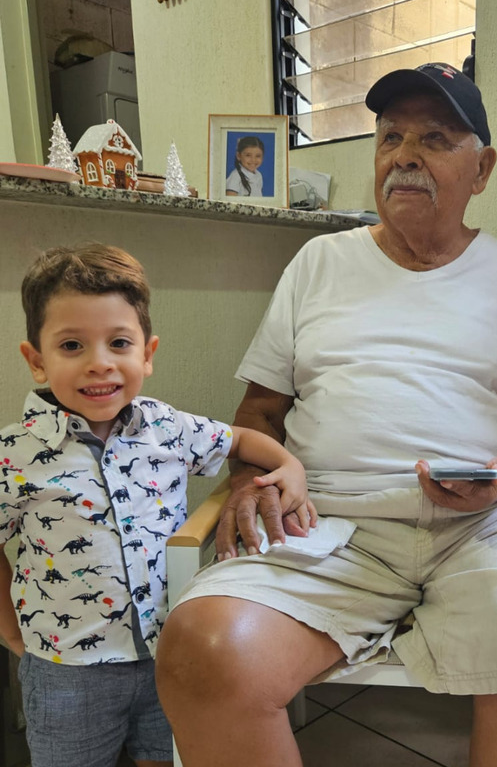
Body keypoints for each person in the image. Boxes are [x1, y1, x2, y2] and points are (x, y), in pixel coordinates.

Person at [156, 63, 497, 767]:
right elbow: (260, 410)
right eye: (391, 138)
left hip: (492, 525)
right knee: (203, 651)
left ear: (482, 169)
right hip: (329, 521)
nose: (405, 156)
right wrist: (247, 479)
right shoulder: (318, 263)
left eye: (435, 139)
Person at [0, 244, 309, 767]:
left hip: (169, 654)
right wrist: (10, 631)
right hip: (66, 670)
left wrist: (289, 465)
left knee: (168, 756)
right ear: (37, 361)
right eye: (72, 345)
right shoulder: (13, 454)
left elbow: (238, 439)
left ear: (147, 353)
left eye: (119, 343)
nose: (100, 363)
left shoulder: (166, 427)